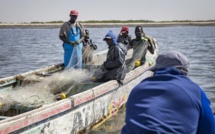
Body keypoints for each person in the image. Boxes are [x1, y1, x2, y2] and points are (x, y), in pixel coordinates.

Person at [121, 51, 215, 134]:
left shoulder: (137, 89)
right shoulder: (196, 91)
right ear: (185, 71)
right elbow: (209, 129)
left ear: (156, 70)